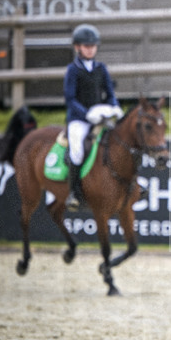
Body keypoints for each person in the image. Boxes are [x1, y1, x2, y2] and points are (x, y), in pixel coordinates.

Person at [64, 23, 122, 210]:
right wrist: (86, 114)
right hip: (79, 119)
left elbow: (110, 93)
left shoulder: (101, 68)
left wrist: (114, 107)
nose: (90, 50)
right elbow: (70, 98)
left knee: (120, 141)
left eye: (93, 46)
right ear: (77, 47)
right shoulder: (73, 70)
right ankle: (74, 193)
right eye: (86, 46)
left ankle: (135, 183)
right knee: (77, 150)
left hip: (100, 117)